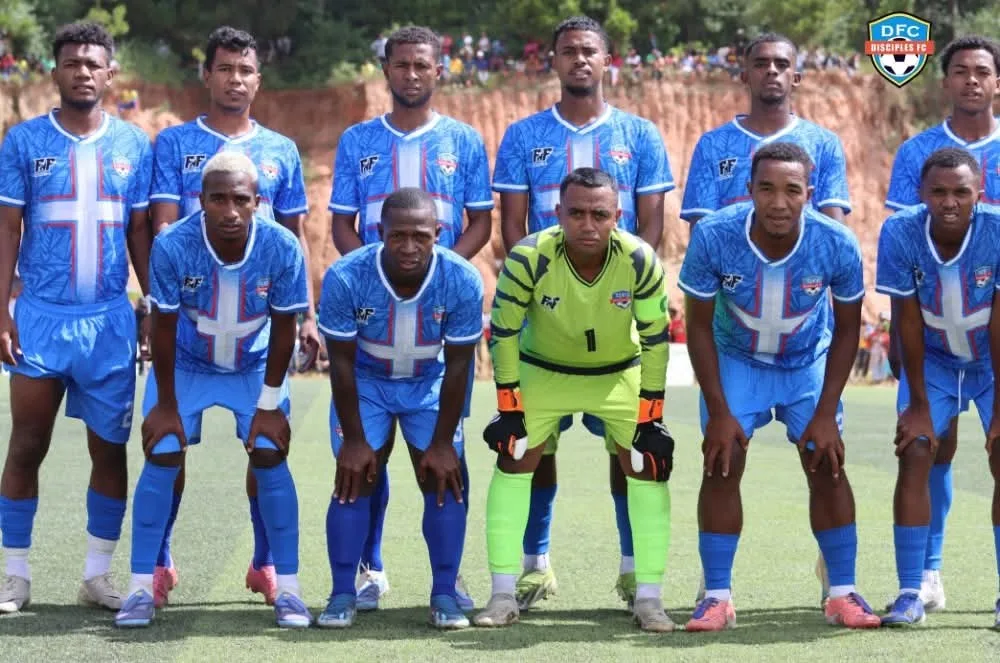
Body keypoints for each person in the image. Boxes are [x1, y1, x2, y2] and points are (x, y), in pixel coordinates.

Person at [491, 15, 675, 611]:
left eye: (589, 50)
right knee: (533, 448)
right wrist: (542, 294)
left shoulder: (640, 134)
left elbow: (651, 232)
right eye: (568, 50)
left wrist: (621, 294)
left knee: (630, 452)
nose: (579, 59)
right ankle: (534, 565)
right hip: (545, 323)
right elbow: (513, 230)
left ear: (607, 59)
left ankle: (632, 571)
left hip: (617, 323)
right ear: (553, 60)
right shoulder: (523, 135)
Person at [147, 25, 321, 609]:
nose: (235, 79)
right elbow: (164, 229)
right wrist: (160, 304)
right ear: (207, 74)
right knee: (167, 445)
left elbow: (294, 239)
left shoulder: (281, 150)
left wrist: (307, 314)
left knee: (265, 445)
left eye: (245, 70)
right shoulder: (173, 143)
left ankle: (265, 562)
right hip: (190, 325)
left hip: (256, 331)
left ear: (258, 80)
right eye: (225, 68)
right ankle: (160, 561)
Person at [678, 143, 881, 631]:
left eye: (792, 190)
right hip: (736, 359)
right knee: (722, 463)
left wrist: (827, 412)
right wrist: (719, 411)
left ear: (809, 193)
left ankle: (842, 593)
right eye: (766, 188)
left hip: (805, 363)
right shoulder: (713, 236)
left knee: (827, 464)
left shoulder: (836, 242)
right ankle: (717, 597)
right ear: (749, 190)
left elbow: (848, 330)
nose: (778, 202)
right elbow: (698, 328)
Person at [329, 25, 493, 612]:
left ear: (439, 71)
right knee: (363, 465)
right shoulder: (356, 140)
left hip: (436, 318)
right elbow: (342, 223)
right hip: (371, 311)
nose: (412, 74)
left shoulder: (465, 140)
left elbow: (481, 221)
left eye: (423, 65)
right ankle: (366, 571)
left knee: (445, 466)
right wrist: (377, 279)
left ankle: (448, 582)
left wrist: (435, 278)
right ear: (387, 71)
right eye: (401, 65)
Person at [114, 152, 311, 629]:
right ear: (200, 200)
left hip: (253, 364)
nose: (230, 211)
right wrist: (165, 404)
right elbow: (162, 327)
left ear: (257, 201)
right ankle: (141, 586)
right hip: (186, 363)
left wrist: (269, 404)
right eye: (218, 199)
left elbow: (285, 329)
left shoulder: (282, 246)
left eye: (241, 199)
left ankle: (288, 588)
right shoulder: (173, 245)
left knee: (270, 453)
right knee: (162, 450)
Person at [474, 167, 675, 632]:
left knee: (648, 465)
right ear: (557, 213)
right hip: (543, 371)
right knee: (514, 458)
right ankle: (502, 594)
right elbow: (503, 332)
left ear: (617, 216)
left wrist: (652, 418)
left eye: (600, 215)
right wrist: (509, 408)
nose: (588, 224)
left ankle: (649, 598)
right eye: (577, 213)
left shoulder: (640, 259)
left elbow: (655, 340)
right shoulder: (529, 257)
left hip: (617, 374)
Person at [0, 22, 153, 615]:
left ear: (110, 73)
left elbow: (139, 232)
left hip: (109, 322)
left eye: (93, 64)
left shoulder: (134, 144)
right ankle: (14, 575)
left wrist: (152, 305)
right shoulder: (23, 141)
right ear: (55, 72)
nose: (82, 72)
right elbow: (7, 229)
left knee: (109, 452)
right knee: (25, 446)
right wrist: (2, 310)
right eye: (71, 63)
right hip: (40, 318)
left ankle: (96, 575)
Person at [317, 188, 484, 630]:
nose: (409, 247)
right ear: (380, 232)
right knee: (354, 477)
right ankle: (341, 593)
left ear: (438, 233)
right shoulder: (347, 276)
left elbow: (460, 366)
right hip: (366, 383)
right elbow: (341, 364)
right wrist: (354, 440)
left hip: (428, 384)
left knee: (446, 478)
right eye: (398, 236)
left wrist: (444, 442)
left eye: (420, 237)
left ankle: (444, 593)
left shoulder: (462, 278)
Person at [881, 36, 1000, 610]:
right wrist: (907, 372)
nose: (972, 80)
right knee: (928, 446)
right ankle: (922, 577)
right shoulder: (917, 153)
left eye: (983, 71)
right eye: (960, 71)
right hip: (933, 336)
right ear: (945, 79)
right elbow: (908, 263)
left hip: (990, 339)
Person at [680, 33, 850, 227]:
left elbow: (836, 231)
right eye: (761, 64)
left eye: (782, 64)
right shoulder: (711, 145)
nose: (771, 70)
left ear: (796, 78)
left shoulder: (824, 143)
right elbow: (701, 230)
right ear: (745, 77)